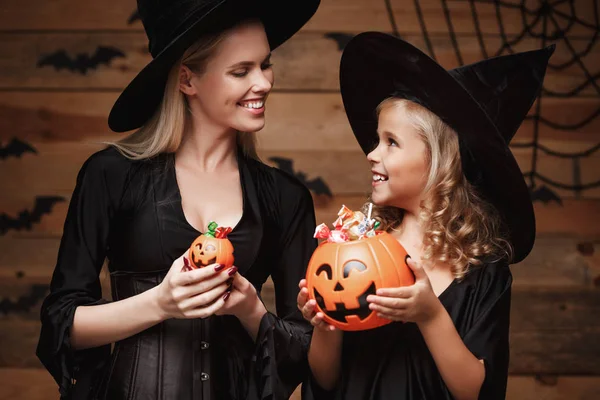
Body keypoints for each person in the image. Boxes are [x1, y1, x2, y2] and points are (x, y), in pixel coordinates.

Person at [36, 0, 321, 399]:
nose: (264, 83)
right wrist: (160, 303)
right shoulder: (111, 175)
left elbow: (309, 346)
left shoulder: (286, 198)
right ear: (188, 80)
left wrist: (251, 311)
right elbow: (60, 323)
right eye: (241, 71)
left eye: (265, 64)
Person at [298, 32, 554, 400]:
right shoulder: (354, 250)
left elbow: (476, 392)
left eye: (391, 142)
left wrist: (430, 315)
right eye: (376, 140)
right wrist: (325, 325)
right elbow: (325, 380)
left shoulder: (483, 272)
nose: (371, 154)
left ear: (438, 162)